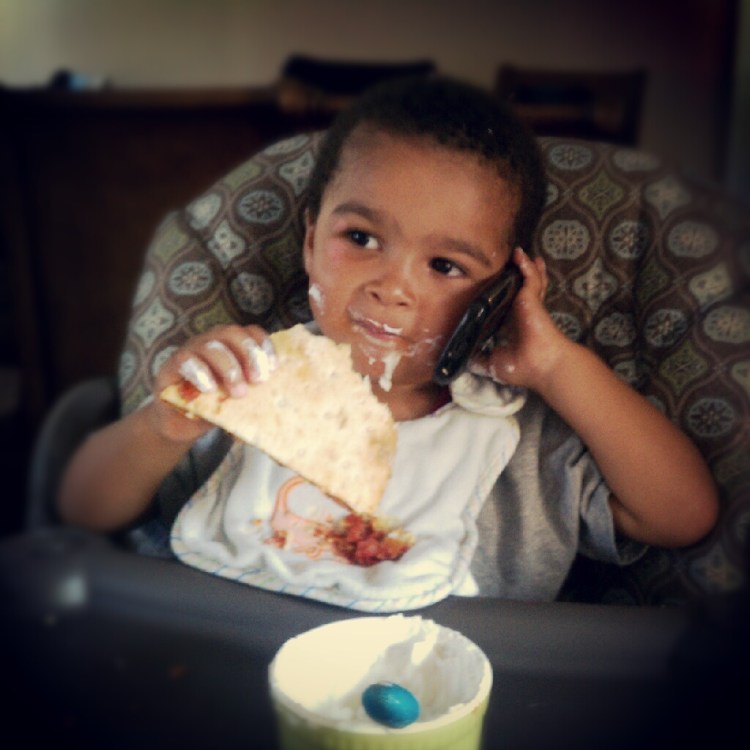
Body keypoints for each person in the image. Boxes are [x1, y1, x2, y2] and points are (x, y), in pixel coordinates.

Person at [58, 77, 718, 608]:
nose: (392, 287)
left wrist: (556, 366)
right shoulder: (243, 383)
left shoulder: (523, 445)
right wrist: (162, 425)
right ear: (311, 242)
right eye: (361, 238)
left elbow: (682, 515)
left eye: (445, 265)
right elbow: (83, 509)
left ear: (504, 292)